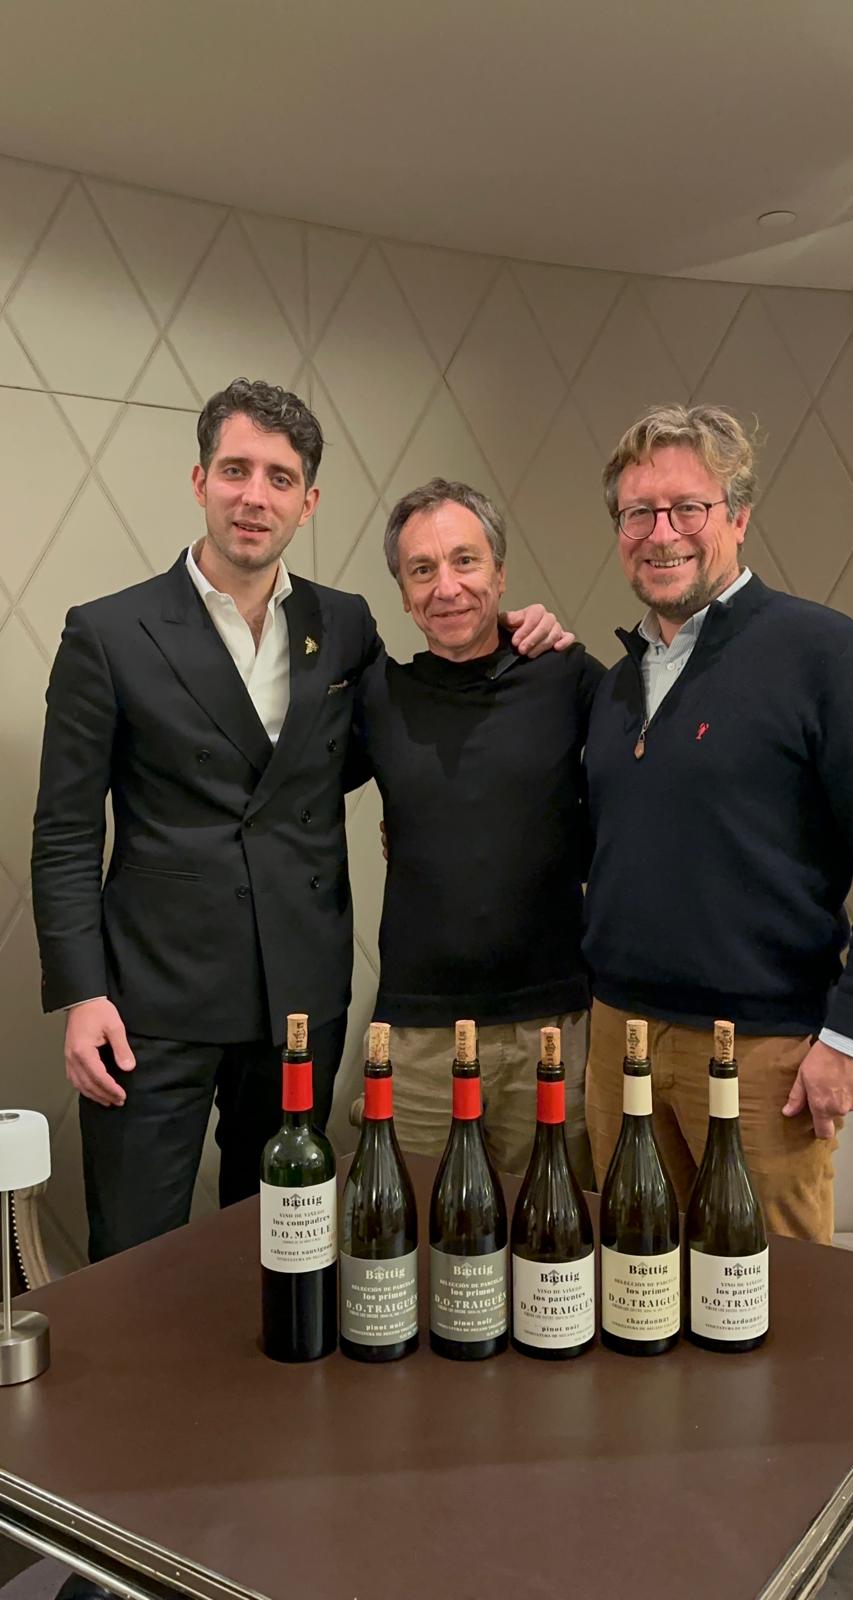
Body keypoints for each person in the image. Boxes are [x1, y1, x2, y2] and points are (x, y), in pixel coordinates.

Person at [31, 379, 567, 1268]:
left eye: (280, 478)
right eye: (236, 470)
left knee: (283, 1250)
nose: (256, 495)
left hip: (300, 998)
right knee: (134, 1257)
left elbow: (410, 727)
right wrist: (83, 994)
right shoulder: (110, 632)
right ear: (200, 480)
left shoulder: (343, 624)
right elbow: (64, 833)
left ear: (307, 502)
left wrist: (512, 635)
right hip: (148, 1000)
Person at [582, 402, 853, 1243]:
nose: (662, 534)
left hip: (762, 1055)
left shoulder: (828, 657)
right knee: (634, 1282)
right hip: (618, 1043)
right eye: (639, 513)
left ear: (739, 516)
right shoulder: (616, 685)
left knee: (771, 1301)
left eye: (688, 507)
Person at [353, 479, 603, 1186]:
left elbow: (645, 793)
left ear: (500, 572)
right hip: (418, 1035)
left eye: (465, 561)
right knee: (413, 1231)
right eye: (422, 570)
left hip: (552, 1025)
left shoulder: (568, 678)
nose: (447, 586)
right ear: (404, 595)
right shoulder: (379, 696)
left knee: (554, 1231)